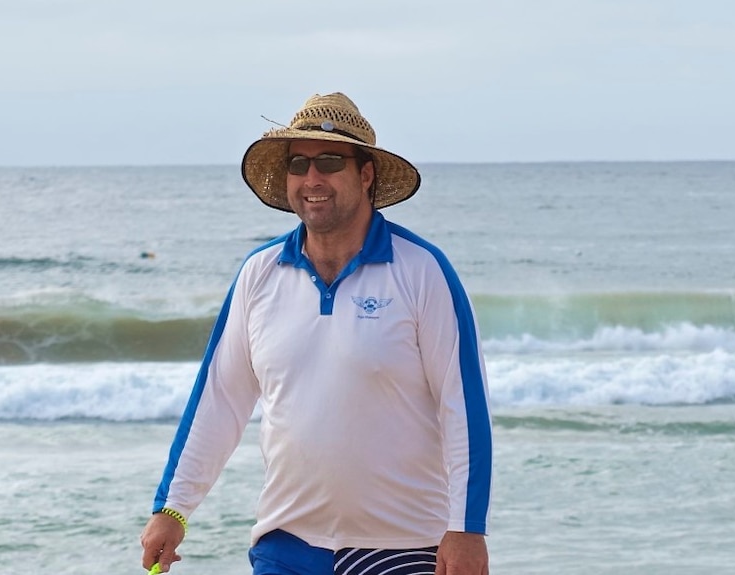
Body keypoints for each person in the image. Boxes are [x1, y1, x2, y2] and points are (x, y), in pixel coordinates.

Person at [140, 92, 493, 575]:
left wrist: (467, 527)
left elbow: (463, 405)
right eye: (298, 164)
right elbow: (219, 400)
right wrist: (172, 509)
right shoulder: (259, 273)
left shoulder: (422, 270)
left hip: (405, 545)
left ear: (365, 174)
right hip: (286, 544)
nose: (312, 179)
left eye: (329, 161)